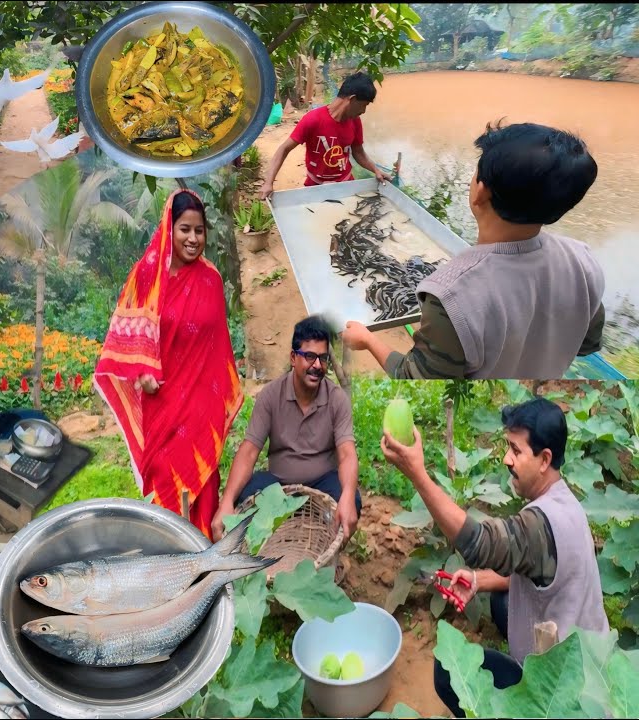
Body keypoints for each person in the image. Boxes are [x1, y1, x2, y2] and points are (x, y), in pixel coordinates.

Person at [380, 397, 609, 717]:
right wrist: (479, 580)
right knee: (503, 602)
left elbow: (478, 544)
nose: (506, 459)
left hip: (563, 695)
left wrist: (417, 474)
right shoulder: (564, 503)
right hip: (590, 662)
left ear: (544, 459)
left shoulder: (541, 526)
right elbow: (535, 568)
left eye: (516, 451)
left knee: (448, 673)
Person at [342, 121, 606, 380]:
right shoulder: (584, 263)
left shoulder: (450, 295)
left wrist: (367, 340)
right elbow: (586, 344)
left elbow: (414, 376)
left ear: (480, 191)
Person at [94, 189, 243, 539]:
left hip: (202, 406)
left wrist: (218, 398)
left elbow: (219, 348)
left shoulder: (211, 280)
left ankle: (202, 563)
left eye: (199, 231)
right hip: (162, 404)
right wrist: (142, 371)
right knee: (164, 480)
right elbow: (124, 337)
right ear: (169, 229)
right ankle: (167, 560)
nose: (193, 239)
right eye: (185, 229)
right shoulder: (147, 277)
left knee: (203, 488)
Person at [211, 316, 360, 543]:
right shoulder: (271, 396)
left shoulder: (336, 399)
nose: (317, 365)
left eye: (323, 358)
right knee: (245, 494)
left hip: (323, 484)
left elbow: (347, 452)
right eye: (309, 356)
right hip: (279, 486)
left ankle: (329, 554)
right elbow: (249, 451)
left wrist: (348, 495)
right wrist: (226, 502)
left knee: (352, 501)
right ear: (293, 358)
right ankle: (268, 553)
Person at [260, 72, 390, 200]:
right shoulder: (313, 120)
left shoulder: (355, 121)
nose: (363, 111)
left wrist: (376, 170)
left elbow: (358, 152)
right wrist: (268, 183)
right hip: (315, 187)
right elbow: (284, 149)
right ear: (352, 99)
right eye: (364, 105)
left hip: (346, 185)